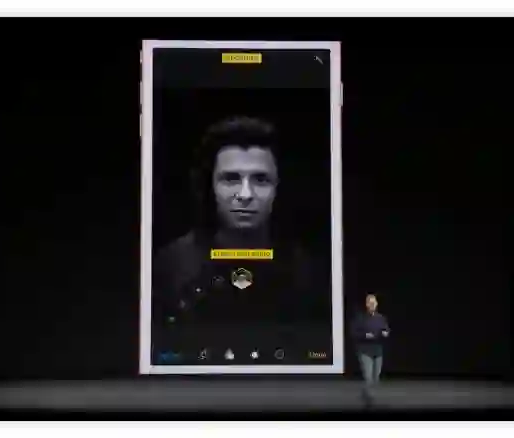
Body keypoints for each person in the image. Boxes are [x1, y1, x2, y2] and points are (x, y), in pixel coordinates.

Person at [152, 116, 326, 330]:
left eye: (261, 180)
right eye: (231, 179)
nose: (245, 194)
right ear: (209, 185)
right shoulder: (171, 266)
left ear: (279, 187)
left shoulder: (308, 272)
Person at [350, 294, 390, 403]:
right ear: (366, 304)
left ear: (376, 304)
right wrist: (365, 335)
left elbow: (386, 329)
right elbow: (353, 333)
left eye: (374, 302)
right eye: (370, 303)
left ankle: (365, 392)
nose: (372, 304)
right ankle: (369, 398)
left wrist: (385, 333)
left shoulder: (381, 318)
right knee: (368, 377)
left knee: (376, 378)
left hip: (378, 351)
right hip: (365, 351)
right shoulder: (360, 318)